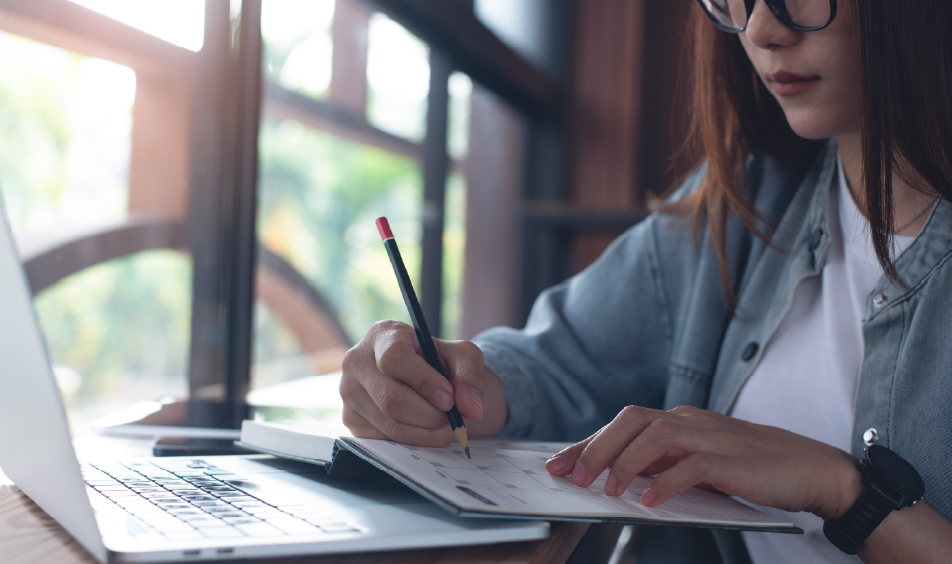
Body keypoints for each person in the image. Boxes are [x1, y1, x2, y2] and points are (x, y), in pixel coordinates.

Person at [339, 0, 952, 562]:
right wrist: (439, 384)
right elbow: (555, 366)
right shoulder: (742, 202)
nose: (762, 29)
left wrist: (843, 491)